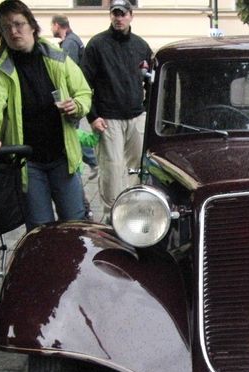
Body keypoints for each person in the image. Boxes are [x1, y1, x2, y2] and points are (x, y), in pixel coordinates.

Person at [0, 0, 92, 231]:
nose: (13, 31)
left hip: (62, 157)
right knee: (39, 227)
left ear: (32, 26)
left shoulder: (56, 58)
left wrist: (77, 105)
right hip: (28, 163)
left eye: (18, 24)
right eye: (5, 27)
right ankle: (46, 266)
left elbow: (84, 92)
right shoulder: (0, 69)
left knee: (75, 221)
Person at [80, 0, 152, 221]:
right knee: (111, 171)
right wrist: (92, 117)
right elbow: (83, 83)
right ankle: (112, 217)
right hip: (108, 119)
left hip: (136, 117)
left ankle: (137, 212)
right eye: (115, 14)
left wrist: (148, 110)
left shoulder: (141, 46)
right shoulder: (97, 45)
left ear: (131, 16)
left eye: (123, 14)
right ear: (110, 16)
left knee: (138, 169)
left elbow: (152, 81)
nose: (119, 18)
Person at [51, 14, 98, 181]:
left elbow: (63, 70)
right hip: (76, 97)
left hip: (72, 98)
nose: (51, 29)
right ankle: (90, 162)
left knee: (72, 133)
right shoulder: (73, 40)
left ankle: (87, 164)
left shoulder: (70, 43)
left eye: (52, 26)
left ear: (57, 25)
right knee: (74, 132)